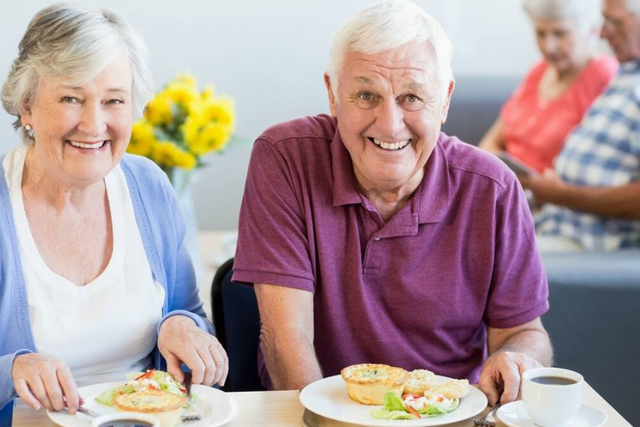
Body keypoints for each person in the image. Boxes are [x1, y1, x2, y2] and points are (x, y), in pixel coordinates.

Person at [233, 0, 552, 407]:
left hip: (447, 413)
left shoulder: (494, 189)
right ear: (333, 94)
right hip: (317, 410)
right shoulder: (284, 158)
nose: (389, 124)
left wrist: (517, 358)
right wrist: (323, 420)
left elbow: (524, 332)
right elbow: (285, 336)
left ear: (445, 100)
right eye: (366, 95)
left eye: (412, 97)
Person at [0, 4, 228, 425]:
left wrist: (181, 326)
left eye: (113, 101)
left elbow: (188, 311)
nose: (94, 124)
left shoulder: (149, 186)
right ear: (27, 107)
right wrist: (10, 370)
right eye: (71, 98)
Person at [522, 0, 640, 252]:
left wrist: (559, 194)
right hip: (554, 222)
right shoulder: (627, 75)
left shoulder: (610, 73)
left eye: (614, 22)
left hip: (588, 241)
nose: (603, 32)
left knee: (471, 259)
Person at [480, 0, 618, 173]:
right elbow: (491, 141)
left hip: (550, 195)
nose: (549, 47)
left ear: (590, 31)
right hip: (507, 185)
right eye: (541, 34)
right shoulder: (539, 70)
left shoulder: (605, 75)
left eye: (560, 34)